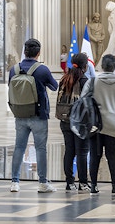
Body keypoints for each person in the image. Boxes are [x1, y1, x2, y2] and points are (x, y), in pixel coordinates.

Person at [9, 38, 58, 193]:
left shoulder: (14, 69)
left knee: (19, 147)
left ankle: (14, 182)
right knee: (40, 149)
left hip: (20, 114)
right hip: (39, 115)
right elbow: (55, 86)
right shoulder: (42, 70)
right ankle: (43, 183)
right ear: (38, 52)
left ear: (24, 52)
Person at [84, 54, 115, 196]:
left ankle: (93, 186)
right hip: (113, 124)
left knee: (94, 155)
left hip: (95, 125)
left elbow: (83, 100)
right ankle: (114, 186)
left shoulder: (93, 82)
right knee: (112, 155)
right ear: (114, 67)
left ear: (102, 66)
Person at [57, 53, 90, 193]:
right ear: (85, 66)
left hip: (65, 119)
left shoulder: (64, 78)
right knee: (82, 153)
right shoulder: (84, 80)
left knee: (69, 151)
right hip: (80, 122)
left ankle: (69, 182)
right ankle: (83, 183)